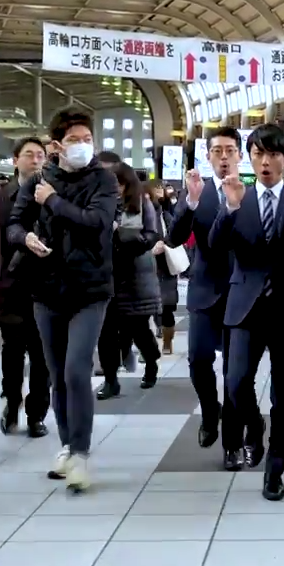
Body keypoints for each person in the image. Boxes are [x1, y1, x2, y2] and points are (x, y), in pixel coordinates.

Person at [7, 108, 117, 493]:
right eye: (74, 140)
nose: (82, 146)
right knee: (57, 374)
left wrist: (53, 201)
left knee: (76, 370)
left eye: (87, 139)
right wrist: (25, 238)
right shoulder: (37, 180)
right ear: (56, 145)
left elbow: (96, 223)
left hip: (91, 289)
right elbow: (13, 223)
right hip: (46, 289)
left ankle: (81, 453)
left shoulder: (103, 179)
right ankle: (68, 446)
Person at [208, 123, 284, 500]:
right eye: (258, 154)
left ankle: (275, 470)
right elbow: (215, 245)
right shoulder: (239, 196)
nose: (265, 162)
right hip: (245, 308)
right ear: (250, 158)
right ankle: (254, 427)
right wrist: (230, 208)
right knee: (236, 382)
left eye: (273, 155)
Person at [169, 127, 245, 469]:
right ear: (208, 155)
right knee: (199, 360)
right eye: (217, 151)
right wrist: (191, 201)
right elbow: (174, 237)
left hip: (241, 293)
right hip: (204, 290)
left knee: (235, 372)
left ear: (240, 155)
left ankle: (233, 443)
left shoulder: (251, 193)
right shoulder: (198, 191)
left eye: (230, 150)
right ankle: (210, 410)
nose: (224, 157)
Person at [0, 137, 50, 437]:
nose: (36, 160)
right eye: (29, 154)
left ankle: (36, 412)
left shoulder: (52, 192)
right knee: (12, 350)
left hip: (46, 284)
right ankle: (12, 401)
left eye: (40, 155)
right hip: (11, 285)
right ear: (15, 160)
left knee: (42, 353)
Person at [96, 163, 162, 399]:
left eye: (120, 184)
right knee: (106, 333)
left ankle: (151, 363)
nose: (116, 188)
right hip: (106, 276)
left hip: (136, 277)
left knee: (139, 329)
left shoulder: (141, 204)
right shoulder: (100, 203)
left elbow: (151, 236)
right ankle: (110, 380)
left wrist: (120, 234)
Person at [146, 181, 179, 355]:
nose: (160, 191)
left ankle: (167, 342)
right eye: (156, 188)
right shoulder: (142, 213)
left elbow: (176, 234)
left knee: (167, 307)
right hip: (146, 266)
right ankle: (147, 348)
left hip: (166, 266)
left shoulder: (166, 212)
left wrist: (164, 243)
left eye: (161, 188)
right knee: (146, 309)